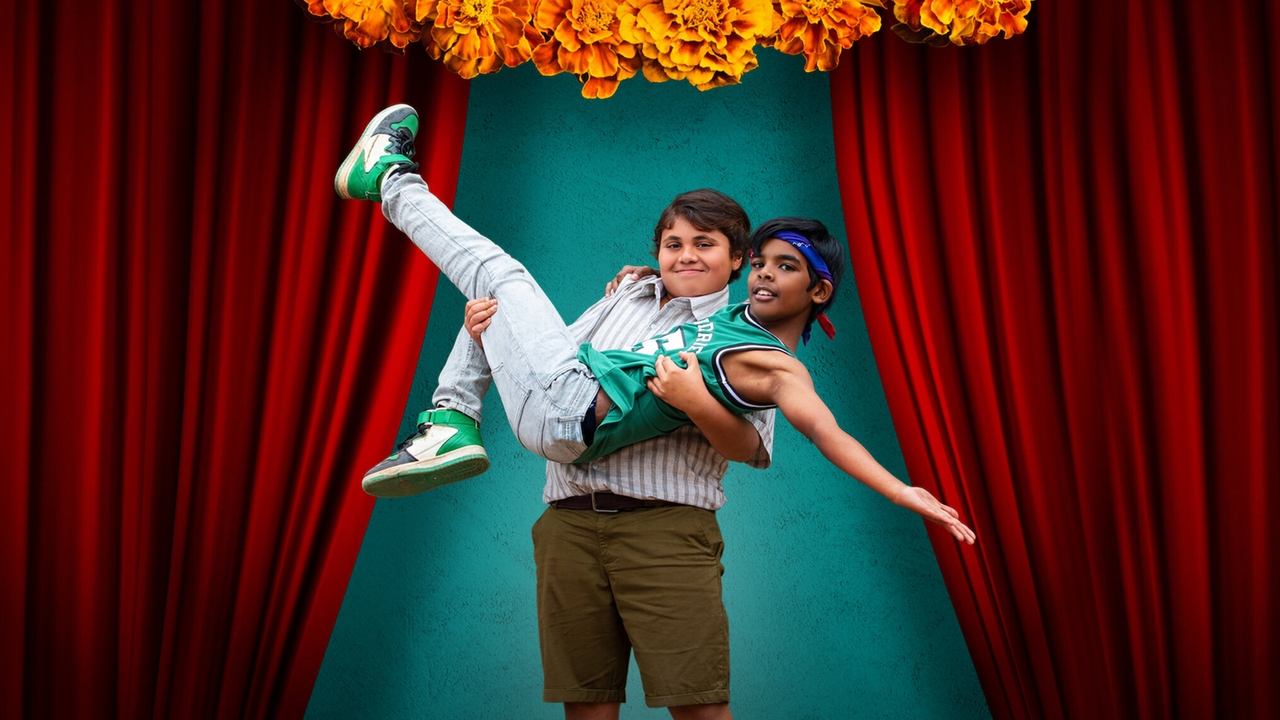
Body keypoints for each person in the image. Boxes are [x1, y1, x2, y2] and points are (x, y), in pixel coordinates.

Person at [336, 103, 976, 717]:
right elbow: (555, 355)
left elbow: (808, 435)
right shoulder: (637, 292)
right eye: (674, 243)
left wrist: (900, 490)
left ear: (734, 263)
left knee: (503, 276)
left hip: (643, 501)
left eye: (710, 246)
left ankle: (390, 181)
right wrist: (495, 336)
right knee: (492, 299)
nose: (690, 256)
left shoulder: (758, 353)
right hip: (566, 492)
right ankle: (449, 420)